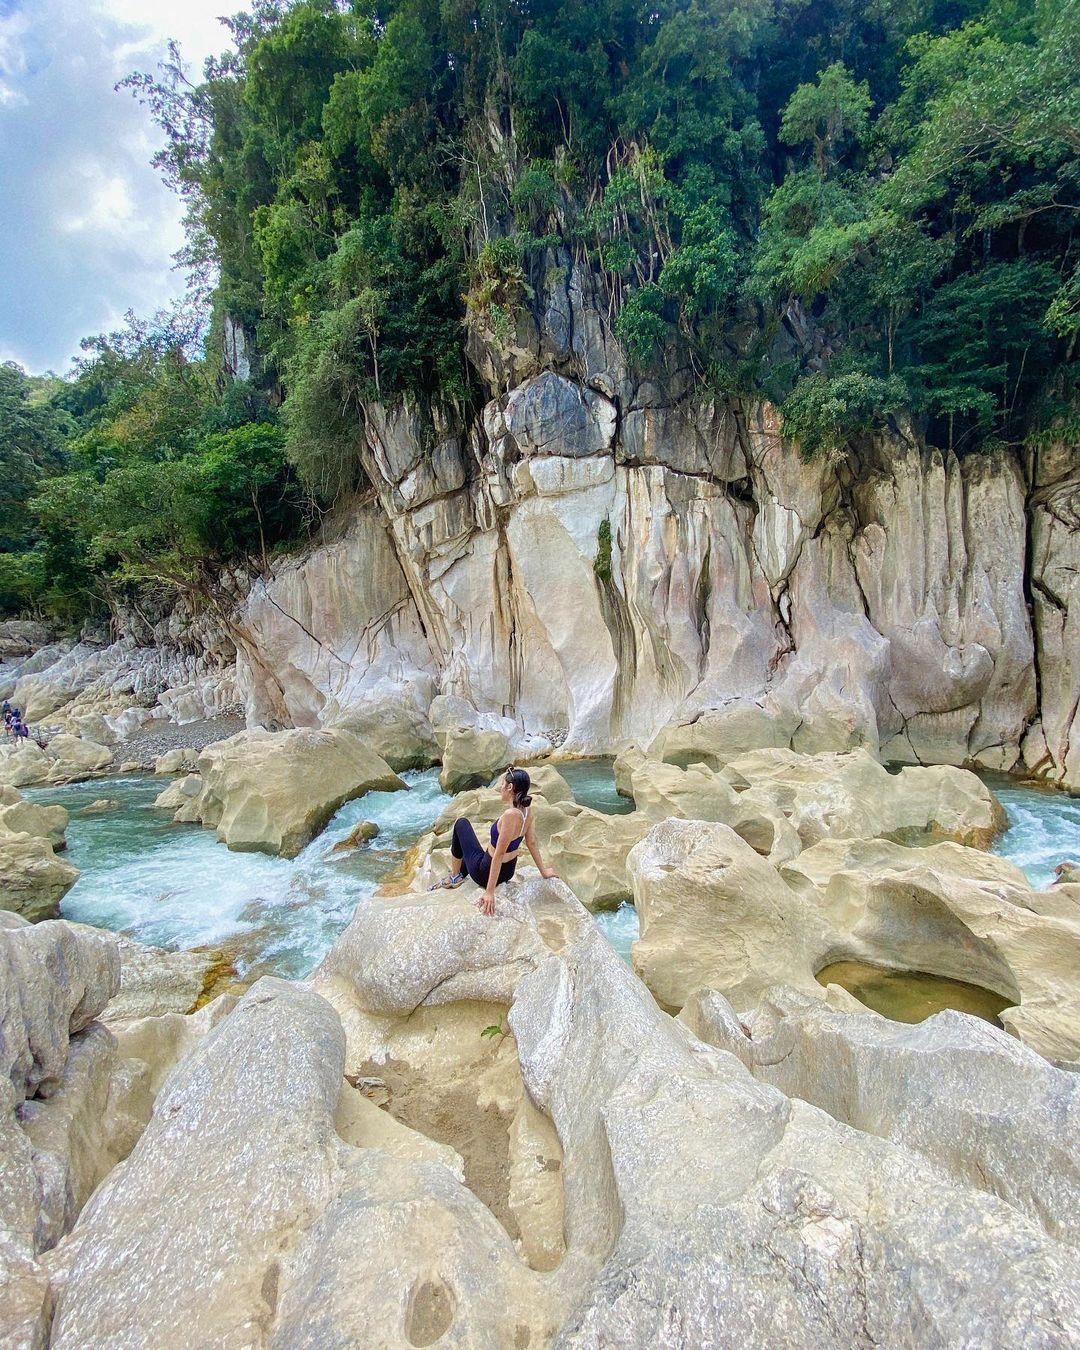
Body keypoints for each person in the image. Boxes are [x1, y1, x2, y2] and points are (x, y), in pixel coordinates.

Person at [431, 766, 559, 915]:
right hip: (508, 870)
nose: (500, 788)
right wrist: (543, 871)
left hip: (485, 873)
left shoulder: (510, 815)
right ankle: (459, 873)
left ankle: (454, 877)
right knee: (469, 854)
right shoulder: (528, 811)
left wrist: (489, 892)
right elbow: (531, 843)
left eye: (503, 784)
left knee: (461, 824)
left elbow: (498, 854)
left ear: (510, 787)